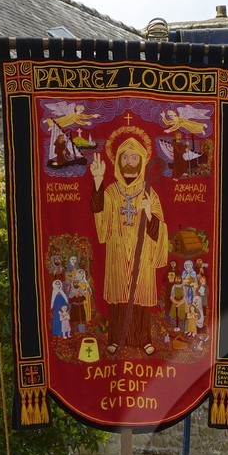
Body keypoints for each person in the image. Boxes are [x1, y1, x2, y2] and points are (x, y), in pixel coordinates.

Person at [90, 127, 169, 356]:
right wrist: (97, 181)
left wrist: (148, 213)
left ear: (142, 161)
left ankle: (143, 339)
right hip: (116, 251)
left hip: (142, 255)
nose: (129, 161)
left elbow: (160, 229)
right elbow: (99, 211)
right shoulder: (112, 192)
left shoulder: (149, 194)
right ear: (118, 161)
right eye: (125, 157)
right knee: (118, 298)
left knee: (140, 298)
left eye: (134, 157)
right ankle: (115, 338)